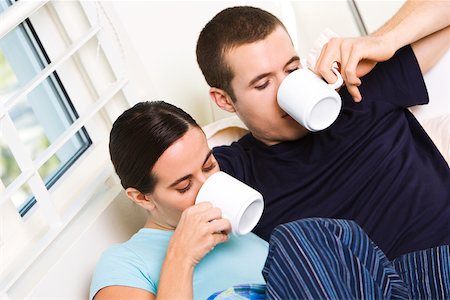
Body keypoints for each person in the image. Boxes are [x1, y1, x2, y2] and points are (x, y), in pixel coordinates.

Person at [195, 2, 450, 299]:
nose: (283, 92)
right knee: (295, 242)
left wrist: (381, 41)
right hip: (354, 287)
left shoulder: (358, 90)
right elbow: (160, 186)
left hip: (439, 262)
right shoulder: (232, 172)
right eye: (263, 84)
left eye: (291, 69)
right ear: (224, 100)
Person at [89, 101, 269, 300]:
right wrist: (181, 257)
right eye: (184, 186)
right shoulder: (125, 263)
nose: (207, 184)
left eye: (209, 166)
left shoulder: (234, 221)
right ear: (142, 197)